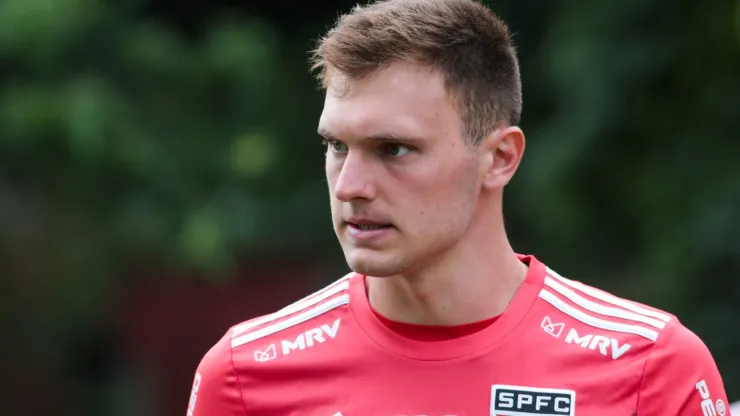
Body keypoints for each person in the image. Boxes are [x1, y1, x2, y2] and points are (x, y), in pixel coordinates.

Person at [185, 0, 731, 415]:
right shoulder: (244, 377)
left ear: (499, 158)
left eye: (393, 149)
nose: (349, 184)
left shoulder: (648, 370)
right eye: (336, 146)